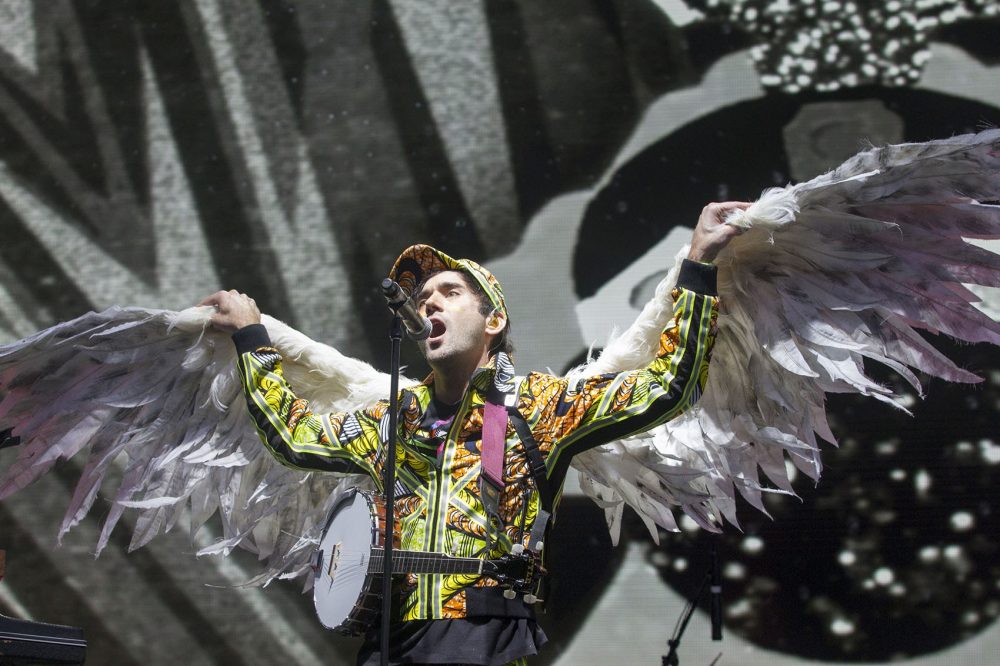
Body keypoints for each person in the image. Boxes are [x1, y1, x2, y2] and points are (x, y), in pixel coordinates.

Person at [200, 201, 747, 666]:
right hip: (388, 641)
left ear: (493, 321)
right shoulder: (394, 418)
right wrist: (253, 340)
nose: (427, 302)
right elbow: (294, 438)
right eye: (422, 298)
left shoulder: (539, 405)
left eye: (449, 291)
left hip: (482, 636)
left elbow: (667, 387)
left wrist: (698, 263)